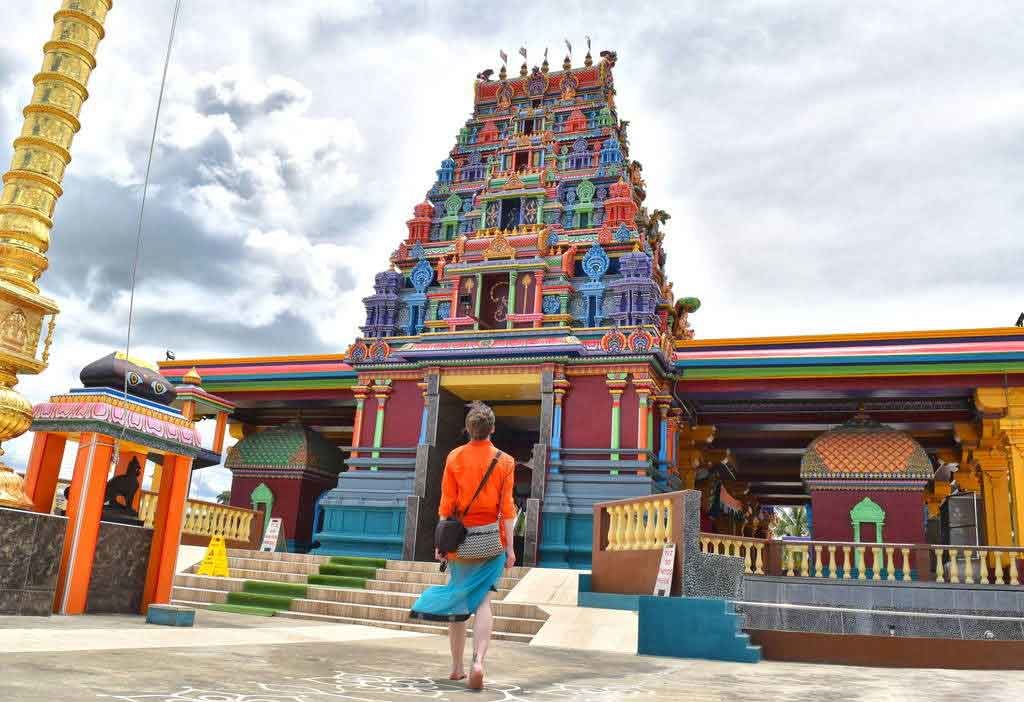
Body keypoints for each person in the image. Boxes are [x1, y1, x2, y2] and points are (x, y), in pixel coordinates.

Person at [409, 401, 517, 690]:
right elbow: (507, 509)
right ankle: (478, 662)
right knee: (483, 601)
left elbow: (446, 504)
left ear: (468, 429)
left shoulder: (455, 457)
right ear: (492, 429)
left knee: (459, 599)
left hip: (461, 542)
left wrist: (441, 541)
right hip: (492, 541)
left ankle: (457, 668)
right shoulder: (505, 461)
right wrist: (510, 548)